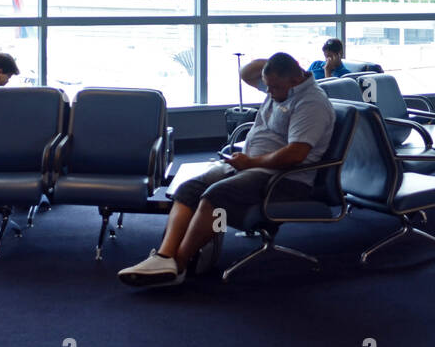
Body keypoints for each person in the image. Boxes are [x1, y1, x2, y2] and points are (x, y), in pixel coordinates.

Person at [118, 52, 335, 288]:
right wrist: (276, 65)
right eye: (268, 85)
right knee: (188, 189)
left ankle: (178, 265)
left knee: (217, 196)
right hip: (253, 165)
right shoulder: (282, 87)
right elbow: (247, 73)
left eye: (273, 87)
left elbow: (296, 154)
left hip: (285, 179)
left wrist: (250, 163)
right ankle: (164, 257)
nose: (268, 92)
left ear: (294, 81)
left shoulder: (311, 104)